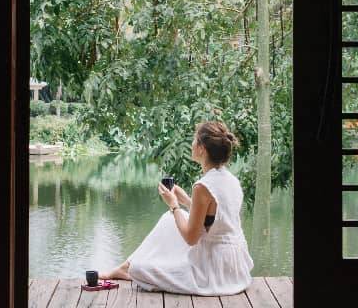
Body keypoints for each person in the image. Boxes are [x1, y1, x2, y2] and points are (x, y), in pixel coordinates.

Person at [99, 120, 254, 295]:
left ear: (202, 149)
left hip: (212, 271)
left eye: (194, 140)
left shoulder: (203, 186)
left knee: (138, 269)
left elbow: (191, 238)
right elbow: (216, 217)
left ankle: (130, 269)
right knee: (168, 220)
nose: (192, 144)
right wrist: (186, 201)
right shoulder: (231, 180)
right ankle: (124, 267)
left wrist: (173, 204)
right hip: (234, 265)